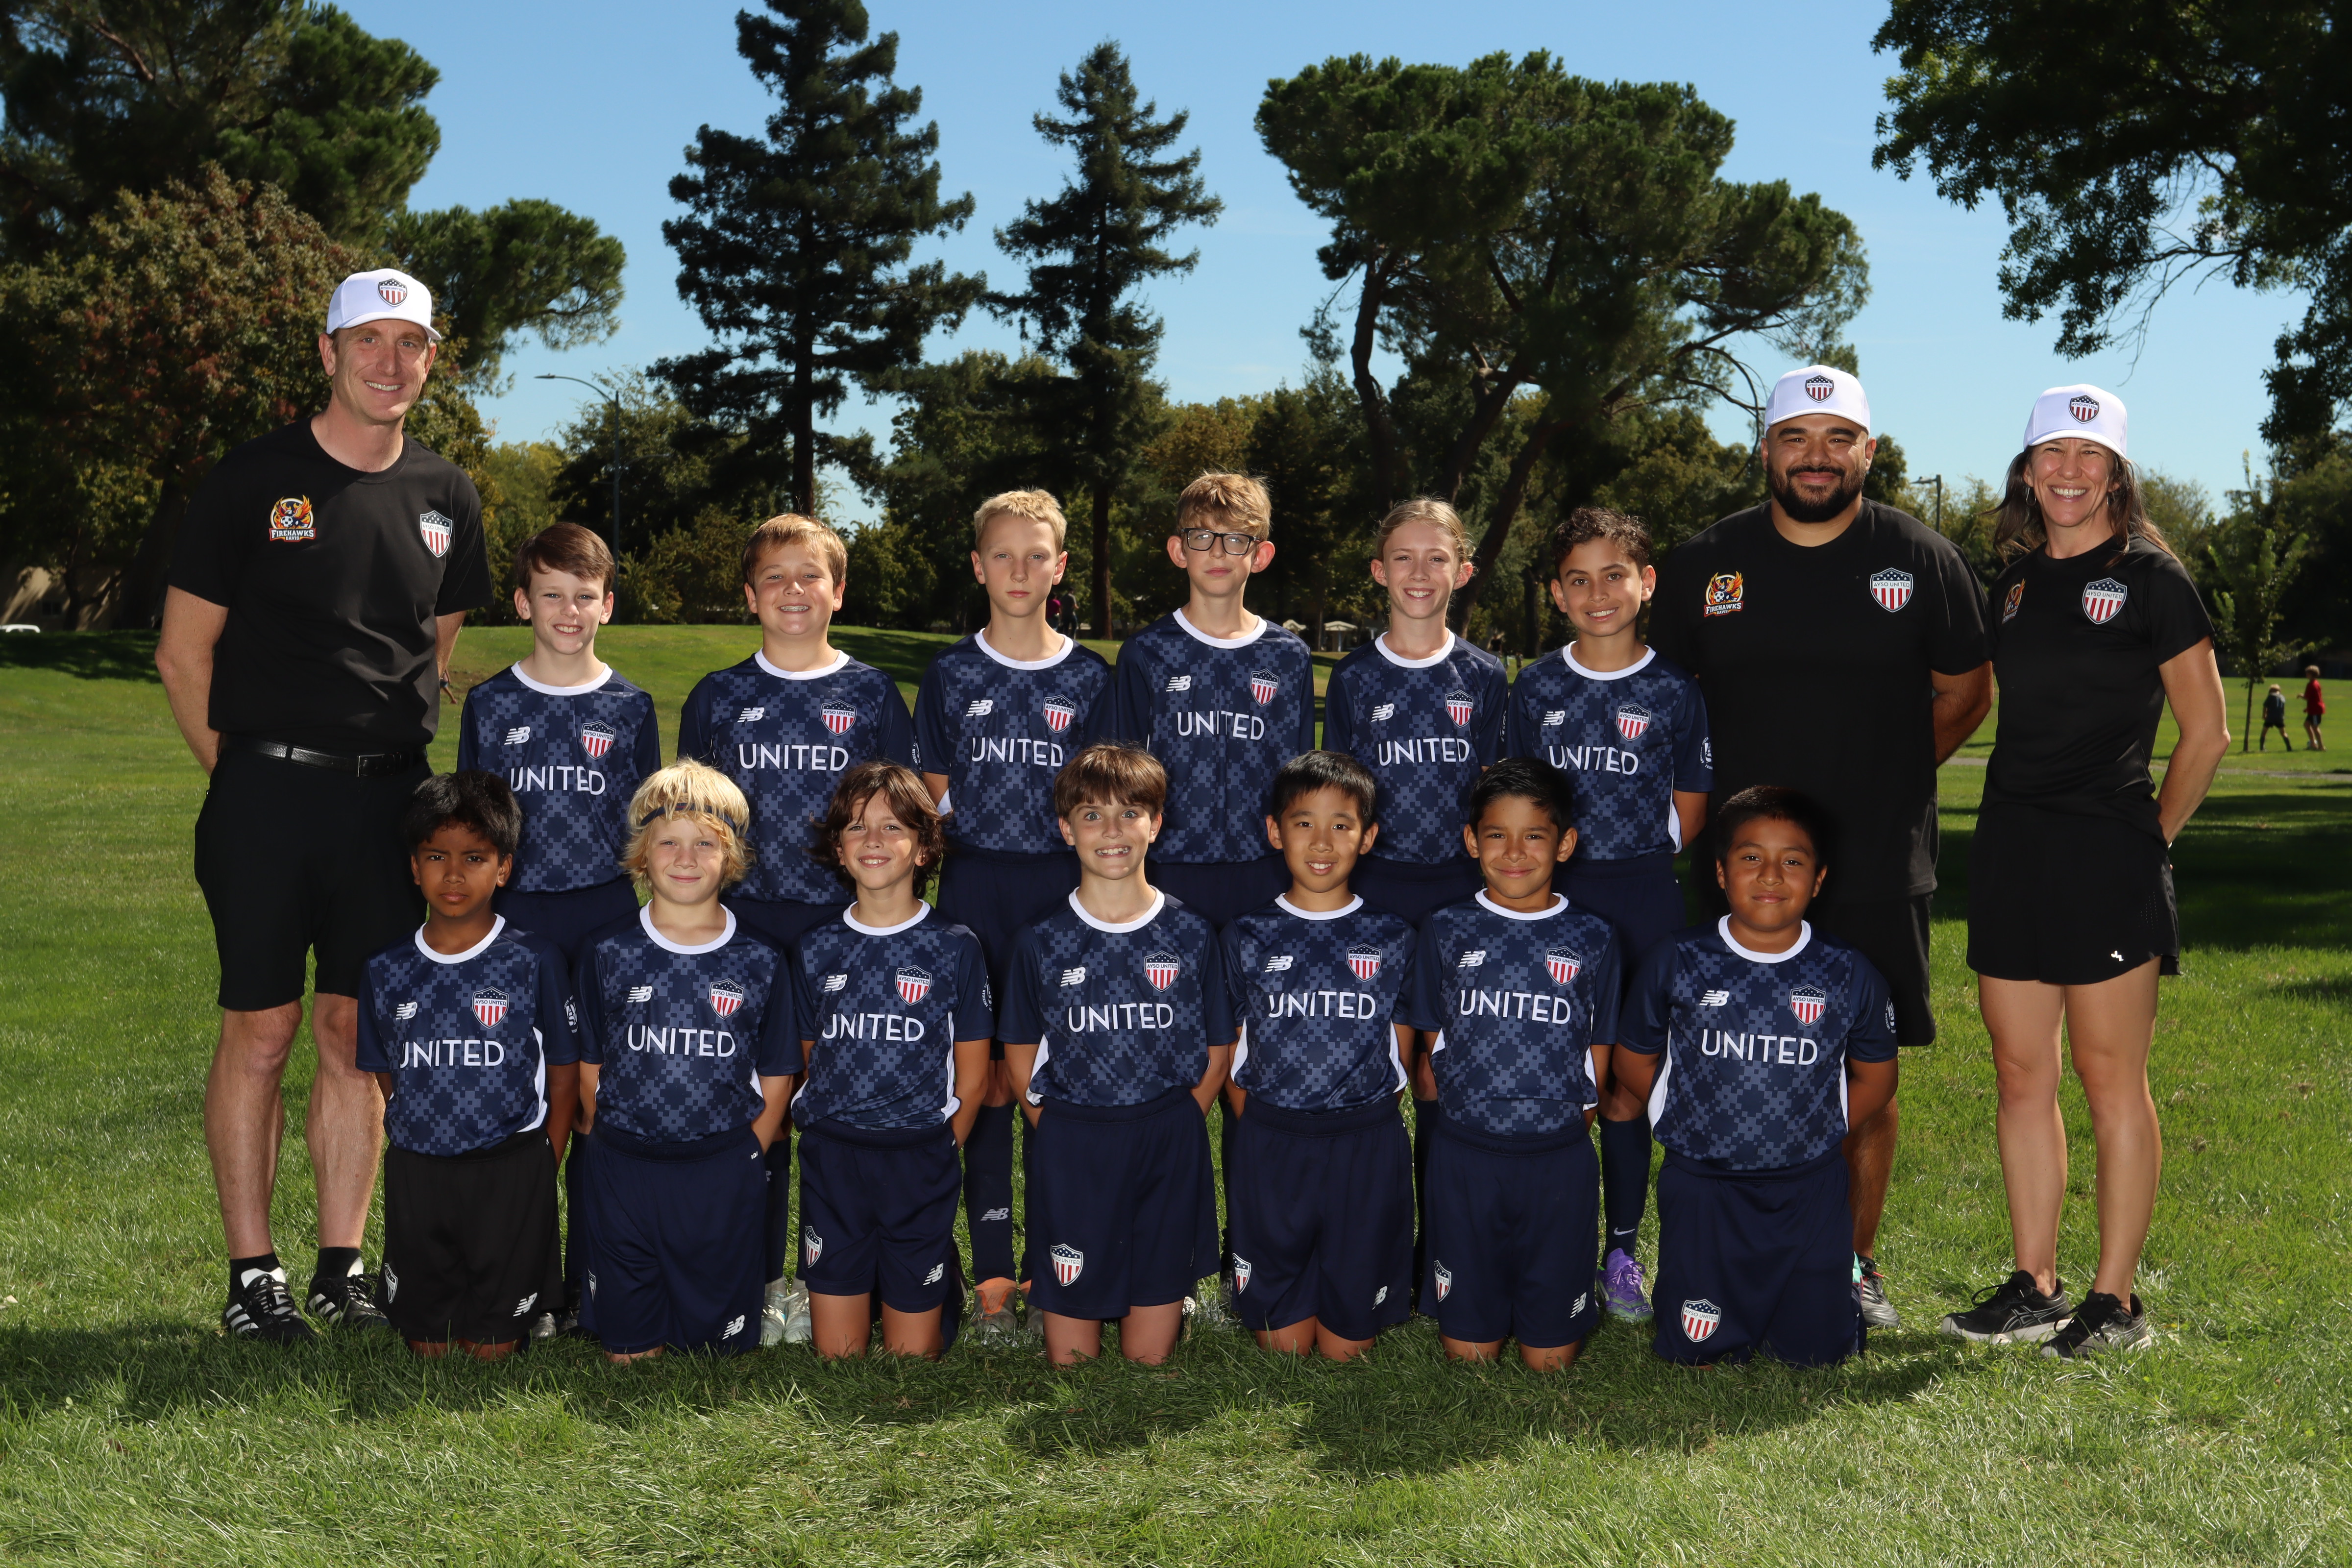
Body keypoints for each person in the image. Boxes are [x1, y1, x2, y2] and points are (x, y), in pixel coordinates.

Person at [156, 266, 491, 1342]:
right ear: (329, 352)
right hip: (264, 792)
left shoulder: (447, 493)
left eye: (412, 344)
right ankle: (252, 1274)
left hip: (390, 806)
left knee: (355, 1032)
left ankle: (341, 1267)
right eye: (370, 341)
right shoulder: (253, 478)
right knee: (262, 1029)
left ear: (431, 359)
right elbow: (183, 655)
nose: (392, 362)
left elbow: (432, 651)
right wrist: (247, 777)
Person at [1649, 364, 1992, 1330]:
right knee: (1725, 1060)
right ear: (1765, 449)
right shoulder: (1704, 562)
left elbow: (1968, 690)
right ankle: (1724, 1257)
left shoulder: (1920, 557)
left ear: (1869, 452)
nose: (1816, 456)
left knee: (1864, 1076)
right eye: (1796, 437)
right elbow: (1665, 703)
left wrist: (1889, 774)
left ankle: (1850, 1263)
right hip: (1738, 872)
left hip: (1877, 861)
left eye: (1838, 439)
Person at [1946, 385, 2227, 1357]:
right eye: (2052, 454)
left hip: (2107, 857)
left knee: (2112, 1080)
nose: (2069, 471)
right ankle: (2035, 1284)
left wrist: (2152, 838)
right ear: (2028, 471)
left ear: (2116, 472)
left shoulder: (2153, 578)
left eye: (2089, 454)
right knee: (2021, 1072)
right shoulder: (2015, 585)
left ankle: (2116, 1302)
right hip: (2011, 849)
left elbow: (2207, 732)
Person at [675, 512, 915, 1341]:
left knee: (836, 1102)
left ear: (838, 592)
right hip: (741, 927)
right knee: (749, 1097)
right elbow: (689, 825)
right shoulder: (718, 697)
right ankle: (749, 1273)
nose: (792, 590)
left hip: (845, 928)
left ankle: (831, 1277)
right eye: (773, 577)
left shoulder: (872, 695)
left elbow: (900, 821)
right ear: (750, 596)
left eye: (810, 575)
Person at [1505, 507, 1712, 1325]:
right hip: (1549, 902)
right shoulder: (1536, 687)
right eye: (1579, 580)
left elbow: (1689, 811)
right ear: (1558, 594)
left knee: (1628, 1081)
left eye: (1615, 576)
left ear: (1646, 583)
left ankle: (1622, 1252)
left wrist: (1629, 850)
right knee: (1544, 1078)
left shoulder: (1675, 689)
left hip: (1641, 899)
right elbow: (1517, 803)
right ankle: (1533, 1244)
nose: (1598, 594)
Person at [914, 489, 1112, 1340]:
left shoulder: (1091, 677)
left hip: (1067, 897)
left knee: (1061, 1079)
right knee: (987, 1079)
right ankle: (994, 1273)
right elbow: (936, 797)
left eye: (1037, 556)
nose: (1020, 570)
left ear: (1060, 567)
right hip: (975, 892)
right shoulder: (951, 674)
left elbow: (1106, 799)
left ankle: (1062, 1263)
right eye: (1003, 554)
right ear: (978, 566)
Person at [1613, 787, 1898, 1367]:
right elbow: (1633, 1058)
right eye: (1751, 857)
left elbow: (1878, 1075)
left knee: (1817, 1354)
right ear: (1721, 872)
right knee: (1696, 1350)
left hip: (1808, 1188)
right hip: (1705, 1184)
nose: (1771, 874)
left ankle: (1828, 1288)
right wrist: (1673, 1111)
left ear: (1818, 879)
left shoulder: (1848, 971)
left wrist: (1827, 1125)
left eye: (1792, 860)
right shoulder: (1678, 958)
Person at [998, 744, 1235, 1366]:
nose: (1112, 830)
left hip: (1165, 1138)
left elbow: (1218, 1048)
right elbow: (1019, 1054)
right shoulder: (1041, 939)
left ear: (1155, 824)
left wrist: (1177, 1121)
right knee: (1071, 1360)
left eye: (1130, 813)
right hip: (1075, 1140)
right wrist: (1058, 1128)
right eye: (1092, 815)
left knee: (1148, 1360)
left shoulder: (1192, 933)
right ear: (1065, 828)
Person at [1402, 759, 1622, 1370]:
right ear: (1472, 840)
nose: (1515, 851)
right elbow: (1431, 1046)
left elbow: (1599, 1049)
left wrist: (1568, 1122)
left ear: (1565, 843)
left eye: (1535, 835)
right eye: (1497, 834)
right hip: (1466, 1154)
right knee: (1470, 1353)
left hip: (1557, 1157)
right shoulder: (1445, 928)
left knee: (1548, 1360)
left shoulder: (1595, 936)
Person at [573, 761, 798, 1361]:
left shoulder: (760, 957)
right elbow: (590, 1066)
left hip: (720, 1166)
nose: (686, 857)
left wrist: (747, 1151)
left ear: (732, 856)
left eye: (705, 843)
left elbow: (778, 1072)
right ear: (641, 856)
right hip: (626, 1166)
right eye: (668, 842)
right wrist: (612, 1139)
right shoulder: (607, 950)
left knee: (715, 1354)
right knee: (629, 1353)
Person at [355, 772, 578, 1360]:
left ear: (503, 868)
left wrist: (543, 1159)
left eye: (474, 858)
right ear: (414, 867)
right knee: (428, 1346)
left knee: (492, 1349)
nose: (453, 874)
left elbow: (563, 1070)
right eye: (437, 856)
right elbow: (387, 1070)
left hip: (509, 1167)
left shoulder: (534, 959)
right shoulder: (385, 968)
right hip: (420, 1169)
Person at [791, 762, 994, 1360]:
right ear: (838, 847)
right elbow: (811, 1059)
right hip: (835, 1157)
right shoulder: (816, 947)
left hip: (918, 1157)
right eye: (856, 827)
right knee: (838, 1354)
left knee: (914, 1356)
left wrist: (939, 1146)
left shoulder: (955, 947)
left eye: (892, 827)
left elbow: (974, 1076)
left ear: (924, 848)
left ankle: (938, 1281)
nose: (873, 839)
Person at [1219, 752, 1418, 1359]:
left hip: (1364, 1143)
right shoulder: (1245, 934)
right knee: (1284, 1345)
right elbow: (1231, 1048)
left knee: (1344, 1348)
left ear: (1368, 836)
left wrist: (1360, 1117)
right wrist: (1266, 1125)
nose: (1323, 841)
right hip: (1273, 1140)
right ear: (1275, 830)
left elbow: (1400, 1055)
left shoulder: (1394, 936)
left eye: (1342, 824)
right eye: (1304, 822)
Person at [1097, 473, 1317, 928]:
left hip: (1266, 869)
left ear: (1261, 555)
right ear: (1179, 550)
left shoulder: (1289, 656)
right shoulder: (1147, 652)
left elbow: (1301, 777)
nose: (1218, 552)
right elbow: (1122, 776)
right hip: (1166, 869)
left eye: (1236, 539)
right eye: (1202, 537)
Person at [456, 522, 659, 962]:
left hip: (608, 907)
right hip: (511, 906)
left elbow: (652, 824)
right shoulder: (489, 703)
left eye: (585, 596)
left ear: (606, 606)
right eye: (552, 595)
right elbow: (471, 823)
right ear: (523, 603)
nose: (570, 610)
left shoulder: (632, 706)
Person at [1321, 497, 1504, 927]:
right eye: (1403, 557)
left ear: (1462, 573)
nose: (1419, 573)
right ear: (1380, 570)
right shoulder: (1353, 676)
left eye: (1436, 559)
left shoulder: (1484, 674)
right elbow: (1335, 794)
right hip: (1370, 883)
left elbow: (1493, 789)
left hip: (1462, 882)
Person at [2259, 685, 2292, 751]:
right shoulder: (2282, 697)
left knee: (2264, 733)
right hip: (2279, 718)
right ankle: (2289, 748)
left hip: (2270, 717)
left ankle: (2262, 748)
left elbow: (2265, 706)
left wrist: (2264, 715)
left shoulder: (2271, 696)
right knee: (2283, 733)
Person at [2301, 666, 2325, 752]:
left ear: (2312, 674)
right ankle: (2313, 744)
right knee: (2307, 725)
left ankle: (2321, 747)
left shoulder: (2312, 685)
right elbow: (2314, 698)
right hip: (2313, 709)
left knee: (2315, 727)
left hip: (2315, 710)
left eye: (2308, 673)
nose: (2307, 675)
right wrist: (2308, 708)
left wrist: (2301, 696)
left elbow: (2307, 697)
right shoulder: (2316, 683)